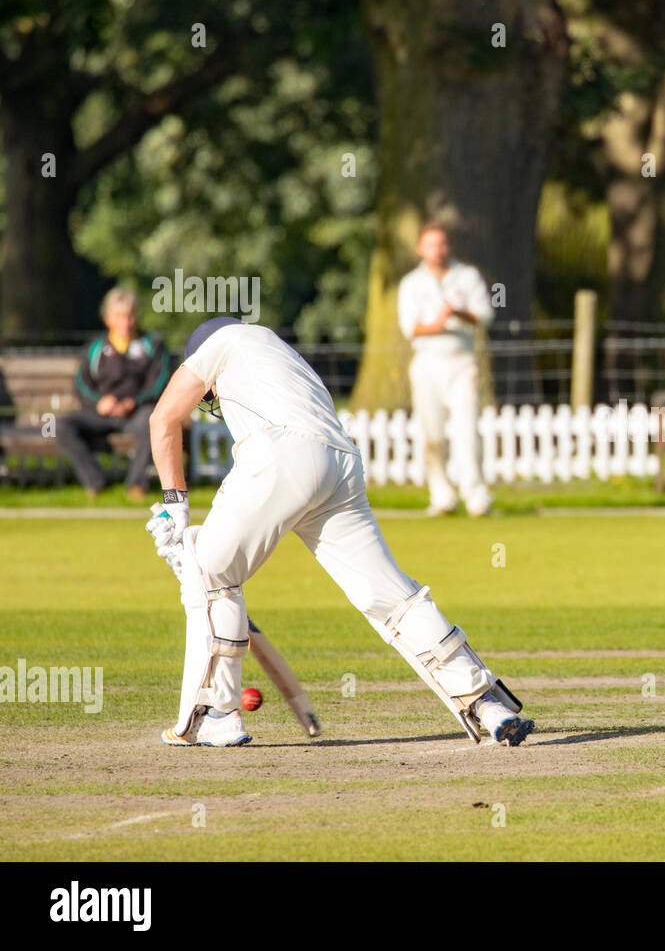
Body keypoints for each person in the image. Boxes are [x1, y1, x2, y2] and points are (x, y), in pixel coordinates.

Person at [144, 317, 533, 748]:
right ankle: (485, 701)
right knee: (392, 599)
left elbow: (163, 420)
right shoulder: (279, 351)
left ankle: (218, 714)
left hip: (282, 453)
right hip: (340, 463)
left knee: (210, 574)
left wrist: (176, 513)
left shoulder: (217, 344)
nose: (212, 397)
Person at [398, 222, 494, 517]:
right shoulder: (412, 283)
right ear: (420, 249)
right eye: (430, 245)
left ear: (448, 247)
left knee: (467, 429)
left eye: (441, 245)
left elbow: (485, 315)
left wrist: (457, 313)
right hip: (427, 363)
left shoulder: (466, 276)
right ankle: (442, 496)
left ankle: (476, 496)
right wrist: (437, 325)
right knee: (432, 433)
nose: (436, 251)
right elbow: (410, 328)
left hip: (461, 361)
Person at [59, 288, 169, 499]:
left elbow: (159, 383)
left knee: (152, 420)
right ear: (107, 319)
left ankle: (136, 486)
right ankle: (96, 483)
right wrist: (98, 402)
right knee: (60, 426)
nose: (125, 323)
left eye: (129, 316)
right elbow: (81, 383)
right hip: (100, 415)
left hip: (136, 414)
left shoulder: (153, 345)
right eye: (119, 317)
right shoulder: (95, 348)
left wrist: (132, 403)